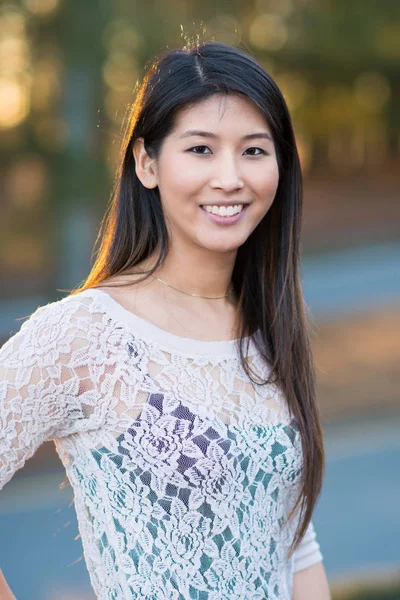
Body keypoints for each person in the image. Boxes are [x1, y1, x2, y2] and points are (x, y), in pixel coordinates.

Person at [0, 40, 331, 599]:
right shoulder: (84, 336)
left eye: (254, 151)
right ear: (146, 163)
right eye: (201, 149)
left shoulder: (269, 328)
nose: (230, 178)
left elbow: (293, 540)